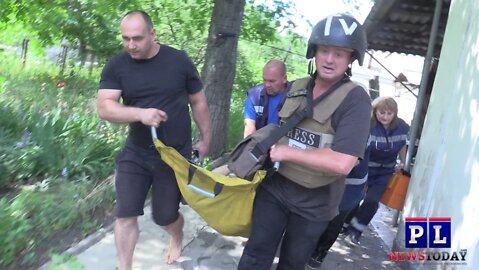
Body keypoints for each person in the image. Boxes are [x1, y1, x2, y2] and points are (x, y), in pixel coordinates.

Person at [237, 13, 371, 270]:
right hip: (276, 189)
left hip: (316, 203)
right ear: (314, 52)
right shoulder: (297, 86)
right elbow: (277, 129)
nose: (330, 59)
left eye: (340, 54)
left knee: (291, 265)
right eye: (325, 50)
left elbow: (343, 162)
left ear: (351, 58)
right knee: (254, 255)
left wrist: (286, 153)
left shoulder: (355, 99)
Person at [96, 10, 211, 270]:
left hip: (173, 155)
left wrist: (206, 139)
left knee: (165, 216)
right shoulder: (117, 65)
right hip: (136, 152)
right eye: (125, 38)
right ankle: (124, 267)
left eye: (137, 38)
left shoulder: (179, 61)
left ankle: (176, 234)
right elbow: (105, 107)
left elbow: (199, 102)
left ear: (152, 33)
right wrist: (140, 114)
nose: (131, 45)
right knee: (125, 214)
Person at [344, 96, 409, 245]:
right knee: (355, 199)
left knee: (372, 201)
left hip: (385, 172)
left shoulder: (402, 127)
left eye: (389, 113)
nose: (385, 116)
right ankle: (346, 224)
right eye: (382, 112)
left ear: (395, 113)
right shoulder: (368, 125)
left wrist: (403, 162)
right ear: (375, 111)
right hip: (365, 168)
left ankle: (355, 231)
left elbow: (402, 145)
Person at [306, 144, 371, 269]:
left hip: (351, 182)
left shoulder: (365, 127)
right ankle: (308, 246)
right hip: (326, 173)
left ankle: (319, 252)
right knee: (315, 211)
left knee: (336, 218)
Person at [243, 59, 288, 138]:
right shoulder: (255, 97)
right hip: (260, 144)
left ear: (284, 79)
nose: (267, 85)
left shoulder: (296, 96)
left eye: (272, 81)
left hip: (286, 145)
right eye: (265, 80)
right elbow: (249, 127)